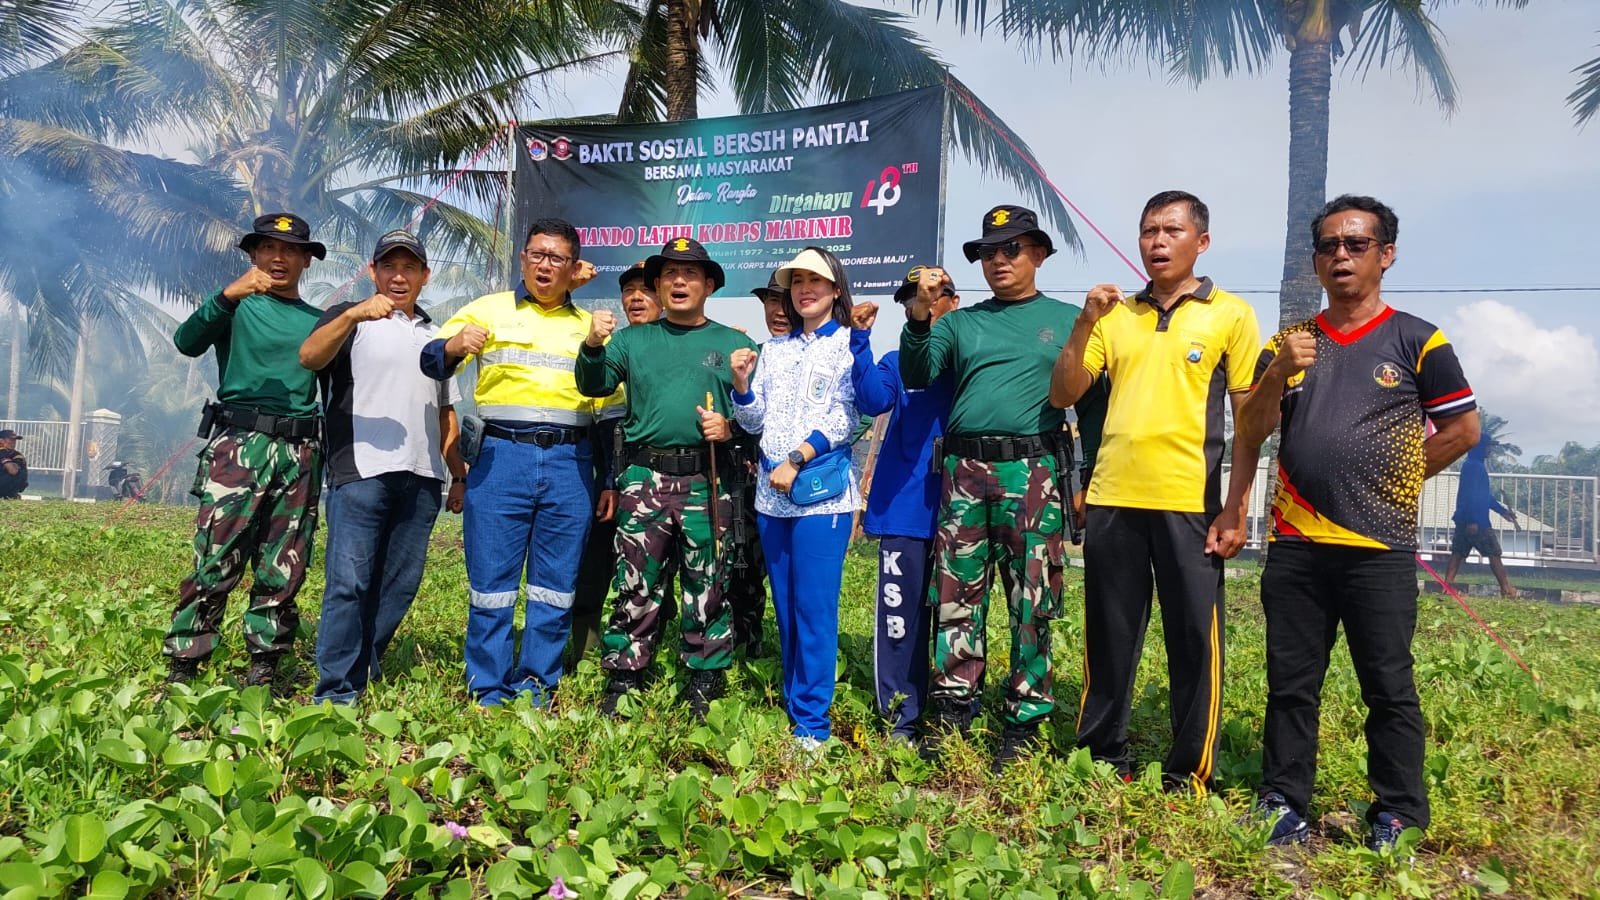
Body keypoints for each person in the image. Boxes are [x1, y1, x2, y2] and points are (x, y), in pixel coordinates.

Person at [1237, 194, 1480, 851]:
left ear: (1386, 255)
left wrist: (1398, 480)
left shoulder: (1417, 340)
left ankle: (1398, 811)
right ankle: (1283, 801)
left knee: (1388, 686)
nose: (1340, 255)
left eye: (1356, 244)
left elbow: (1462, 429)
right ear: (1315, 260)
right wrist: (1275, 376)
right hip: (1296, 546)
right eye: (1328, 246)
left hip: (1379, 550)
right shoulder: (1290, 343)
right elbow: (1252, 429)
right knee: (1291, 686)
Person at [1049, 190, 1262, 792]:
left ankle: (1189, 770)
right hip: (1115, 496)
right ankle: (1098, 753)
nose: (1158, 241)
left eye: (1172, 230)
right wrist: (1084, 321)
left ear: (1202, 241)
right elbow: (1065, 393)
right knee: (1109, 633)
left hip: (1190, 503)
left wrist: (1235, 507)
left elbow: (1248, 421)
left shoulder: (1231, 315)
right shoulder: (1115, 315)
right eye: (1148, 231)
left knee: (1194, 639)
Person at [899, 205, 1095, 770]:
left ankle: (1026, 718)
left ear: (1038, 253)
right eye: (988, 252)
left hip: (1033, 472)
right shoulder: (960, 323)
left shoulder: (1067, 320)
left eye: (1011, 249)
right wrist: (919, 315)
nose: (998, 261)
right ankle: (954, 707)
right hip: (964, 473)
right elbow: (917, 374)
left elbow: (1090, 403)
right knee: (956, 594)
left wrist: (1082, 483)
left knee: (1032, 599)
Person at [420, 218, 621, 708]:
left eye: (556, 258)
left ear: (574, 268)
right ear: (522, 258)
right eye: (536, 254)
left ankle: (536, 684)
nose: (544, 265)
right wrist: (453, 345)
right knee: (491, 582)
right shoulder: (488, 310)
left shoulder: (590, 329)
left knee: (555, 584)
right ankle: (487, 685)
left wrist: (609, 478)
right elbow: (430, 361)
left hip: (571, 461)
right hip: (499, 458)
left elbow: (610, 417)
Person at [574, 237, 754, 718]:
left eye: (690, 274)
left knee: (708, 582)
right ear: (657, 285)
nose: (679, 281)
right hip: (645, 479)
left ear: (709, 284)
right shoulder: (632, 340)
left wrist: (730, 426)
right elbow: (593, 385)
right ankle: (625, 676)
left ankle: (705, 679)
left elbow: (762, 417)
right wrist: (592, 345)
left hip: (708, 479)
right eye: (669, 275)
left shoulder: (735, 343)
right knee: (637, 580)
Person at [299, 229, 467, 705]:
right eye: (389, 267)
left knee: (398, 584)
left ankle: (364, 667)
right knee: (349, 583)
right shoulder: (348, 320)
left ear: (424, 276)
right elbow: (309, 356)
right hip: (361, 471)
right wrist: (353, 312)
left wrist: (456, 472)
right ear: (372, 272)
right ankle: (335, 691)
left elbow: (445, 411)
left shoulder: (437, 338)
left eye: (409, 268)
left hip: (423, 477)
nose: (399, 276)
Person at [163, 213, 327, 689]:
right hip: (239, 445)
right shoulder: (233, 307)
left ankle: (264, 666)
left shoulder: (319, 322)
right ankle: (185, 663)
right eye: (269, 249)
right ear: (254, 255)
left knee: (285, 562)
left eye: (291, 251)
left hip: (299, 450)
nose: (279, 258)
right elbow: (186, 341)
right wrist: (229, 294)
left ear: (305, 261)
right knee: (217, 555)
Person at [731, 247, 860, 750]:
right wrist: (742, 386)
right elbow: (754, 422)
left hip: (822, 499)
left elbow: (847, 417)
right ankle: (795, 705)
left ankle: (812, 724)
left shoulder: (849, 344)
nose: (805, 289)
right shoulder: (774, 350)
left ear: (835, 290)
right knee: (785, 607)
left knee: (814, 609)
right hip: (771, 500)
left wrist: (799, 458)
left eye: (816, 281)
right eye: (797, 281)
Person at [848, 266, 959, 743]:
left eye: (934, 297)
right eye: (915, 300)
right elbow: (873, 400)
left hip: (966, 509)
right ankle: (901, 718)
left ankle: (953, 710)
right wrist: (859, 342)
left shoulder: (970, 360)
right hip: (905, 510)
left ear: (953, 302)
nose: (925, 306)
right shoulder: (896, 360)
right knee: (902, 618)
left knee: (958, 618)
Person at [570, 262, 662, 665]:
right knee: (593, 567)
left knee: (656, 573)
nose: (636, 298)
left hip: (661, 486)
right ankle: (585, 651)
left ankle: (652, 653)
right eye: (629, 291)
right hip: (607, 481)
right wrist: (608, 482)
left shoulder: (681, 346)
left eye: (646, 290)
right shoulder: (608, 346)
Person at [1444, 433, 1520, 598]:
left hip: (1465, 518)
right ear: (1480, 448)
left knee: (1457, 554)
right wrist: (1473, 521)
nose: (1490, 450)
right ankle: (1506, 589)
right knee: (1494, 554)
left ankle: (1447, 587)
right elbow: (1472, 495)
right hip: (1476, 521)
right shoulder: (1475, 467)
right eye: (1488, 446)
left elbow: (1485, 496)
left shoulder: (1472, 465)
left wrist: (1502, 511)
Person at [0, 429, 26, 499]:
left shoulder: (17, 455)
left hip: (7, 487)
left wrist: (2, 452)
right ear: (1, 440)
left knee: (21, 472)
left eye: (14, 440)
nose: (13, 442)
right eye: (11, 440)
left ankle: (10, 494)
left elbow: (13, 471)